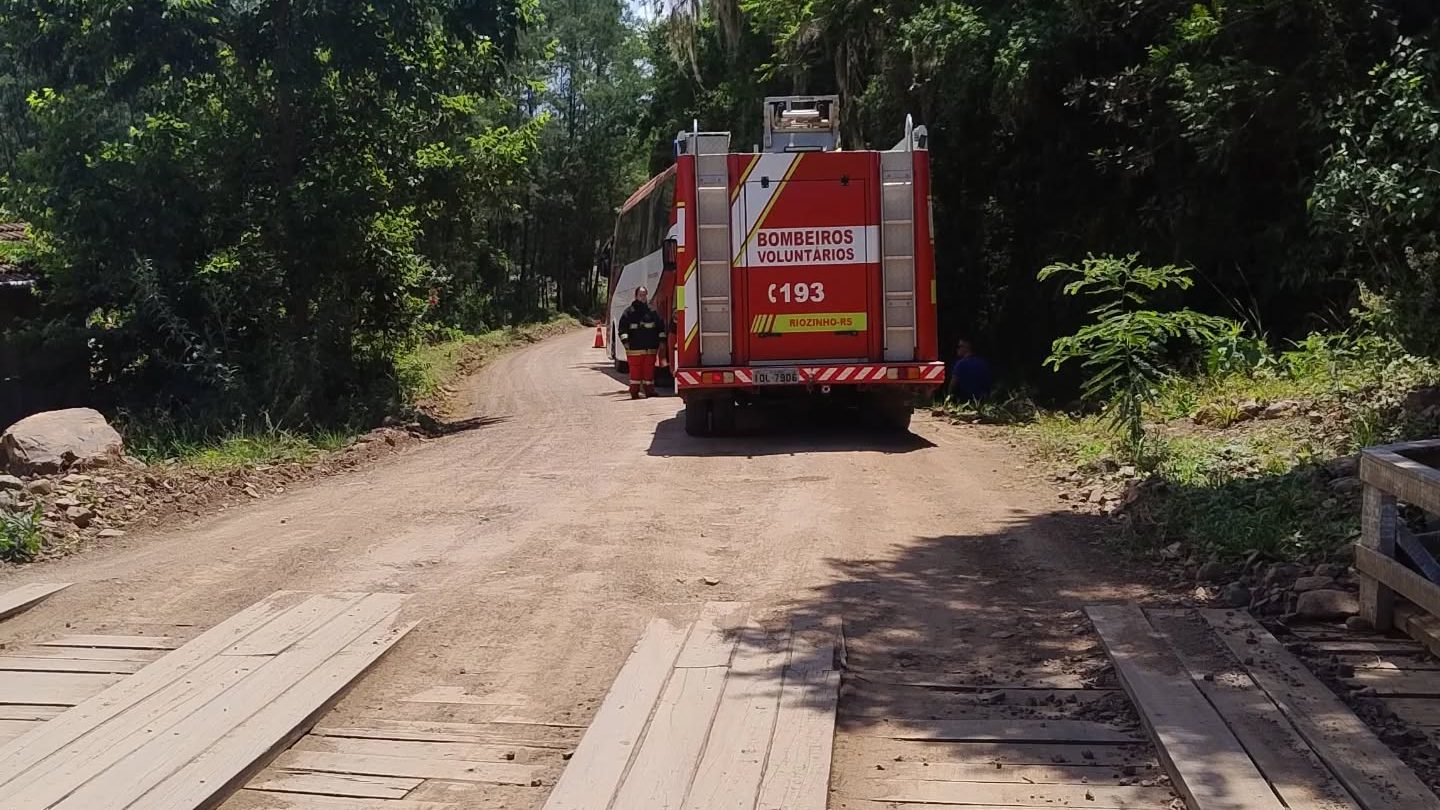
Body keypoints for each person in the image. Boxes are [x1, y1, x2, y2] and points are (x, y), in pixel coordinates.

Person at [618, 286, 666, 399]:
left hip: (650, 348)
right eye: (641, 294)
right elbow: (622, 329)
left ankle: (649, 391)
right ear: (636, 296)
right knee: (635, 372)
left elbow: (660, 327)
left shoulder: (652, 311)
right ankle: (634, 392)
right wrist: (625, 342)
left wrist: (662, 341)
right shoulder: (629, 312)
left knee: (649, 372)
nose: (643, 297)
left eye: (644, 294)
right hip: (634, 349)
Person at [949, 338, 992, 403]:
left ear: (967, 347)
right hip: (982, 401)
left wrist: (949, 398)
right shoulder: (982, 363)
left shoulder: (960, 364)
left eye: (959, 346)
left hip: (965, 401)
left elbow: (953, 385)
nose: (957, 349)